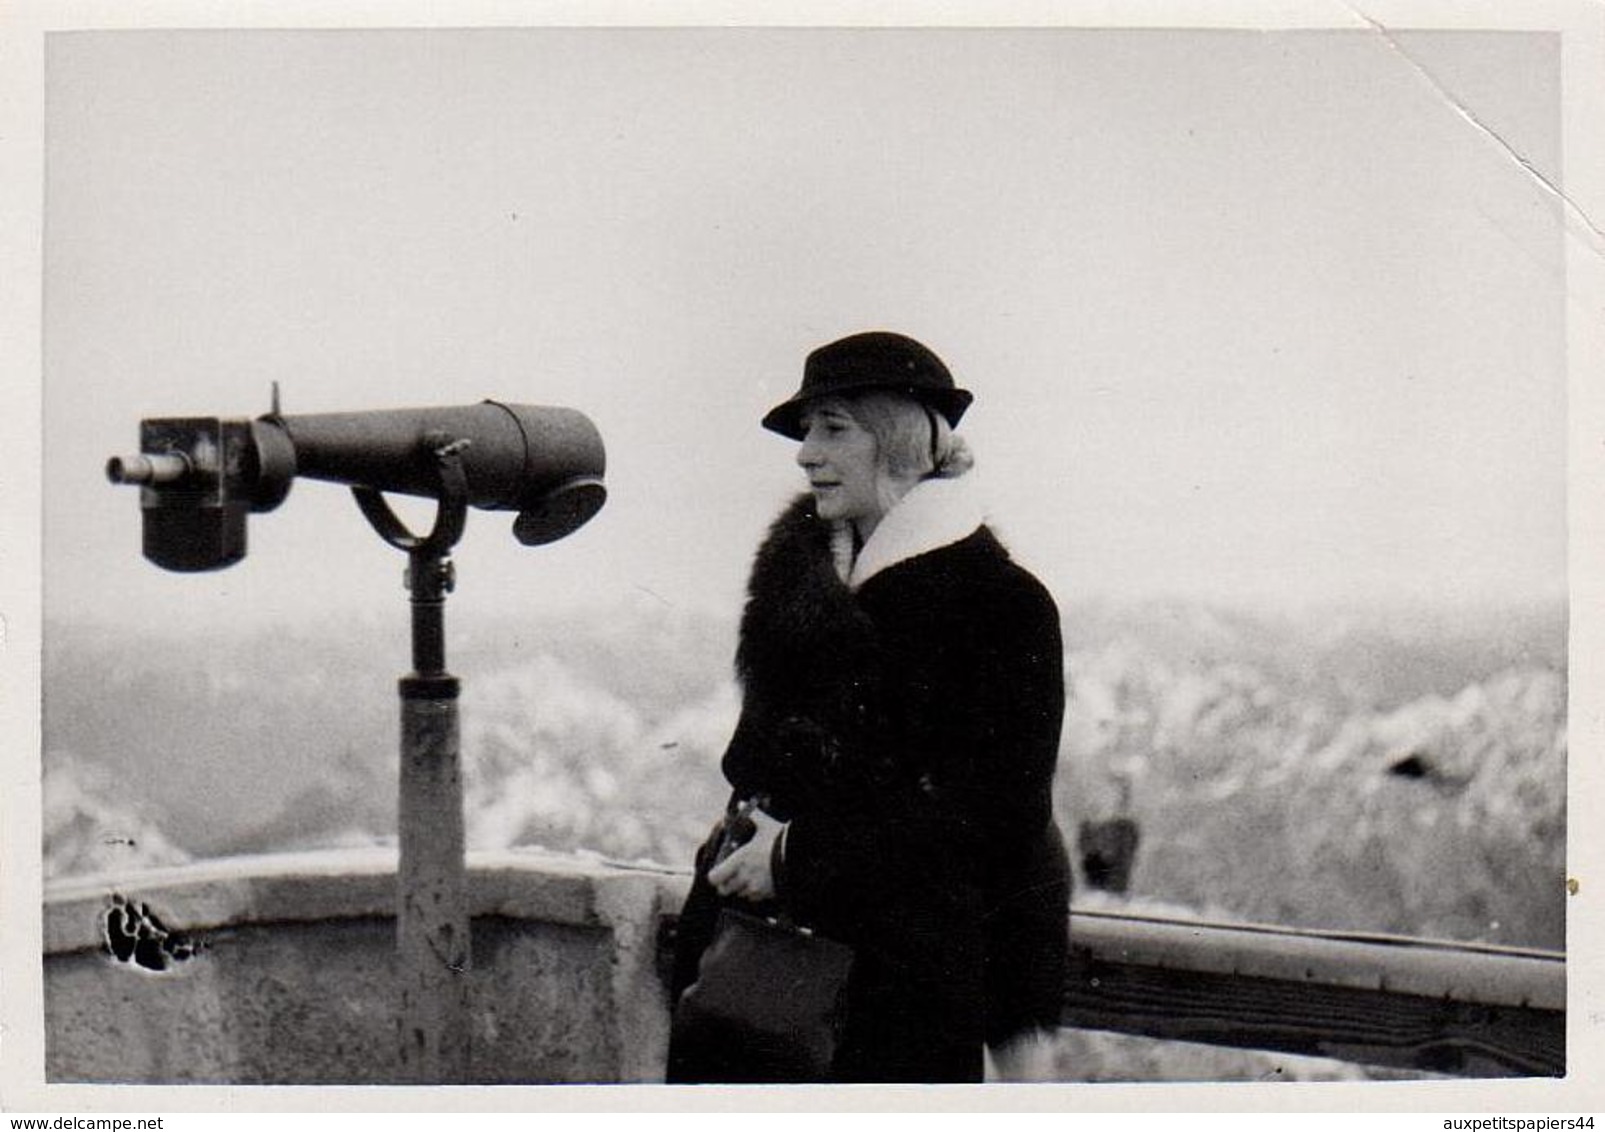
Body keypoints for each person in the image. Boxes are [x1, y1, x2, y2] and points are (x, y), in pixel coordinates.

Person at [667, 330, 1070, 1084]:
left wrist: (794, 859)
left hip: (893, 1007)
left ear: (898, 441)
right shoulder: (801, 588)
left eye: (832, 428)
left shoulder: (1002, 607)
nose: (804, 453)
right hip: (745, 989)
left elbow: (1003, 821)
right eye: (805, 431)